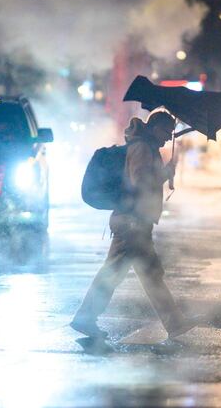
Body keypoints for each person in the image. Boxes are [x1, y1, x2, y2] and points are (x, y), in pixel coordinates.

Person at [71, 111, 197, 339]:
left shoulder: (147, 148)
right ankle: (85, 317)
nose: (168, 138)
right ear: (155, 127)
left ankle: (175, 322)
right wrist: (163, 174)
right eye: (166, 132)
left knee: (148, 274)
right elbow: (139, 183)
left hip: (135, 221)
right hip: (131, 222)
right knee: (120, 274)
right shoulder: (141, 148)